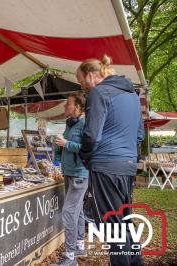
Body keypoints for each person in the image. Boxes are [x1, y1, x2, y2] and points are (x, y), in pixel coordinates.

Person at [76, 55, 144, 265]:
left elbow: (91, 135)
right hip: (127, 165)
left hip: (106, 165)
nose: (82, 87)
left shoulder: (99, 92)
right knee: (124, 222)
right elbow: (139, 134)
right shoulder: (132, 95)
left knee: (112, 227)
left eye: (81, 81)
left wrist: (86, 157)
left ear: (90, 76)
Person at [51, 92, 89, 266]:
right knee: (78, 210)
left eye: (68, 104)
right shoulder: (70, 124)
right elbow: (67, 145)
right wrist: (59, 148)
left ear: (78, 107)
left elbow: (87, 149)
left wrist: (66, 143)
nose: (65, 107)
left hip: (80, 174)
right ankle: (80, 245)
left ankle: (70, 257)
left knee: (68, 212)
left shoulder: (85, 124)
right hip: (69, 172)